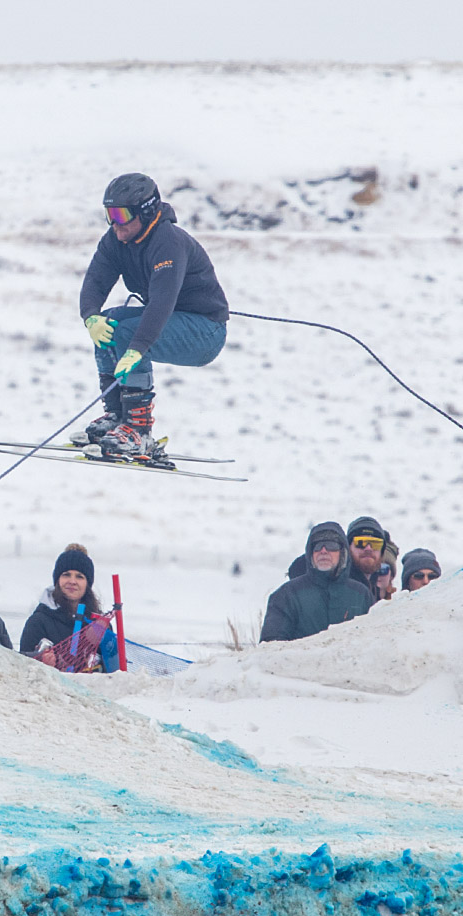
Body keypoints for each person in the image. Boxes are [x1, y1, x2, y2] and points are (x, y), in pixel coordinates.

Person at [78, 172, 231, 464]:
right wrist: (91, 318)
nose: (114, 224)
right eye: (109, 214)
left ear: (145, 212)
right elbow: (94, 283)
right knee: (110, 324)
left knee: (127, 333)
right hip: (171, 320)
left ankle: (139, 431)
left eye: (121, 215)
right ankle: (118, 416)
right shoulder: (115, 240)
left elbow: (161, 303)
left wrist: (137, 348)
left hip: (205, 332)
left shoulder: (167, 242)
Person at [260, 522, 373, 642]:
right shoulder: (287, 595)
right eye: (317, 546)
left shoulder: (361, 594)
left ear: (343, 552)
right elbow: (271, 646)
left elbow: (373, 641)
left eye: (331, 546)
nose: (323, 551)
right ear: (310, 553)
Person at [19, 544, 118, 672]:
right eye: (66, 574)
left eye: (79, 576)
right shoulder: (38, 621)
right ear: (57, 580)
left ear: (88, 583)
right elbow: (21, 668)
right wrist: (41, 661)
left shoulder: (100, 625)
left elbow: (114, 675)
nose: (72, 581)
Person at [344, 516, 391, 603]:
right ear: (348, 547)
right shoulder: (341, 587)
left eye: (376, 544)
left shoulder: (375, 588)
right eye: (360, 543)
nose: (368, 548)